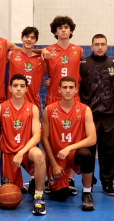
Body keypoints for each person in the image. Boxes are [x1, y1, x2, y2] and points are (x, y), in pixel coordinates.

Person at [41, 76, 97, 211]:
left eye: (71, 87)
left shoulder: (85, 109)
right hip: (57, 158)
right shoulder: (49, 109)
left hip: (73, 154)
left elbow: (92, 138)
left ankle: (87, 192)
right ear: (59, 90)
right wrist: (54, 164)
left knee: (86, 154)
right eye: (64, 87)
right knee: (60, 196)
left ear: (76, 90)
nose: (68, 90)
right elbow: (45, 139)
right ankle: (58, 180)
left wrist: (69, 148)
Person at [0, 74, 47, 216]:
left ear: (26, 89)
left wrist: (21, 152)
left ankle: (39, 196)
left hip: (26, 151)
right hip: (8, 153)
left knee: (38, 155)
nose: (18, 89)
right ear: (10, 88)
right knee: (9, 194)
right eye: (15, 86)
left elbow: (37, 135)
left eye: (22, 86)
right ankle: (24, 184)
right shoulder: (1, 108)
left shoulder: (33, 109)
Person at [44, 15, 83, 195]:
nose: (63, 30)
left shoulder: (79, 50)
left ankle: (71, 179)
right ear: (55, 32)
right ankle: (49, 178)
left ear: (71, 30)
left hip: (73, 100)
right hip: (53, 99)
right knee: (52, 141)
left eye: (66, 27)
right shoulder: (48, 51)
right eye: (60, 28)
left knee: (72, 139)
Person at [79, 34, 114, 196]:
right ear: (92, 46)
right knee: (87, 152)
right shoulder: (83, 64)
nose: (100, 47)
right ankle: (88, 182)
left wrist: (108, 95)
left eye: (103, 44)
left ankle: (108, 184)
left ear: (107, 46)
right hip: (89, 117)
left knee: (108, 151)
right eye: (97, 44)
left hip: (109, 117)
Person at [7, 27, 46, 111]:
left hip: (32, 103)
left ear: (36, 41)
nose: (29, 40)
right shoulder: (11, 54)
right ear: (22, 38)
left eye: (32, 38)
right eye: (27, 36)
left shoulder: (41, 59)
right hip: (13, 103)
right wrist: (42, 49)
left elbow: (54, 72)